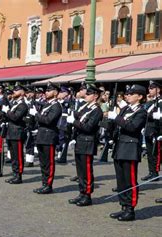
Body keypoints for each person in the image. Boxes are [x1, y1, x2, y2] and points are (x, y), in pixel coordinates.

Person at [107, 84, 148, 221]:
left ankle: (130, 209)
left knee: (130, 181)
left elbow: (132, 127)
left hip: (130, 149)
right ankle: (123, 206)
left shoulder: (141, 112)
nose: (128, 96)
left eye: (131, 94)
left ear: (140, 97)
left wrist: (117, 118)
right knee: (121, 181)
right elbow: (117, 126)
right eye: (128, 94)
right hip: (119, 147)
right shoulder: (125, 109)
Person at [66, 84, 103, 206]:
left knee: (86, 171)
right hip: (80, 141)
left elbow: (88, 127)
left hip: (88, 142)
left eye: (88, 94)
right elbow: (78, 115)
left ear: (95, 96)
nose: (85, 95)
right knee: (80, 171)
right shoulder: (85, 107)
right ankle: (81, 193)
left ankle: (87, 195)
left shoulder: (96, 110)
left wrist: (74, 122)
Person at [29, 82, 62, 194]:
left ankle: (48, 185)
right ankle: (44, 183)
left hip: (49, 136)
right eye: (46, 90)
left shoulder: (56, 106)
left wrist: (36, 114)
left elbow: (48, 120)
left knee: (49, 163)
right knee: (43, 163)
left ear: (55, 92)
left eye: (49, 90)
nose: (46, 92)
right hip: (41, 135)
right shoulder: (47, 105)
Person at [2, 84, 29, 184]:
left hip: (17, 132)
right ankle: (14, 174)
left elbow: (15, 117)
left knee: (18, 156)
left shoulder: (23, 105)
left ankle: (19, 176)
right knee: (13, 156)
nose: (13, 92)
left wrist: (7, 111)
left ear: (22, 93)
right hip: (11, 132)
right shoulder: (14, 104)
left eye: (16, 90)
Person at [141, 80, 161, 181]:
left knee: (155, 153)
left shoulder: (161, 102)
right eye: (149, 88)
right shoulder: (150, 102)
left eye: (152, 88)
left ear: (158, 89)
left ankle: (155, 172)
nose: (149, 90)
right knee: (149, 153)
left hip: (156, 132)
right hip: (148, 130)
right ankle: (151, 172)